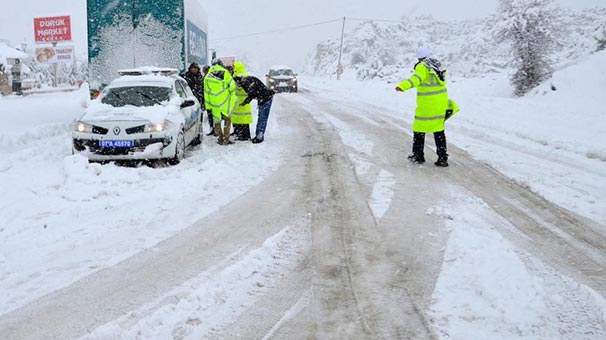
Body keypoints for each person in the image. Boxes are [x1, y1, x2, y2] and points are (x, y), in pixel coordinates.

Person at [395, 47, 459, 167]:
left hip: (427, 104)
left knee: (419, 129)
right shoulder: (437, 67)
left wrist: (402, 86)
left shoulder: (422, 66)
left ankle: (418, 155)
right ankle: (442, 158)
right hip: (441, 104)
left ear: (419, 58)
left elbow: (416, 79)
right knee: (438, 130)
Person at [233, 75, 275, 144]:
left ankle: (259, 137)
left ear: (238, 81)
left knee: (262, 118)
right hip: (264, 98)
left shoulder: (245, 81)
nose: (236, 85)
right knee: (261, 118)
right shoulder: (246, 80)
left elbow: (252, 92)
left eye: (236, 83)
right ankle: (258, 136)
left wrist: (245, 102)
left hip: (266, 98)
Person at [204, 59, 237, 145]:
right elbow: (232, 85)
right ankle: (226, 139)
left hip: (214, 102)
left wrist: (208, 106)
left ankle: (220, 139)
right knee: (227, 120)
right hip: (225, 101)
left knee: (217, 121)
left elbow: (206, 92)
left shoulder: (207, 76)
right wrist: (232, 94)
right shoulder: (225, 73)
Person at [231, 62, 253, 141]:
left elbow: (241, 88)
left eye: (234, 68)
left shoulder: (241, 76)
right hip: (238, 101)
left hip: (242, 101)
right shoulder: (239, 75)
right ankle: (238, 133)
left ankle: (243, 135)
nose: (233, 69)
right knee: (238, 118)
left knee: (243, 119)